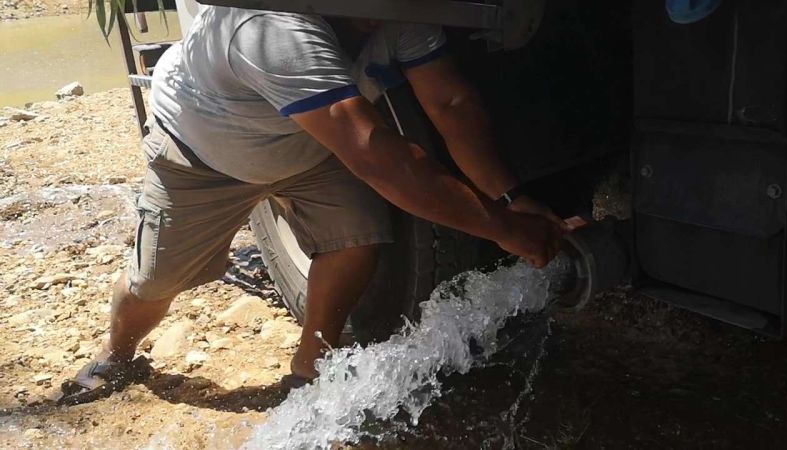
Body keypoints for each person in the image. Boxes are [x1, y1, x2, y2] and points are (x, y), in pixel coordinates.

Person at [59, 6, 569, 404]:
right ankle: (119, 354)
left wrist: (512, 201)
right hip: (204, 153)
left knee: (358, 237)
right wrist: (504, 228)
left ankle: (307, 371)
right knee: (156, 281)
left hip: (307, 147)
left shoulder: (401, 10)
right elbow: (375, 154)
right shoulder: (273, 27)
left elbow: (449, 103)